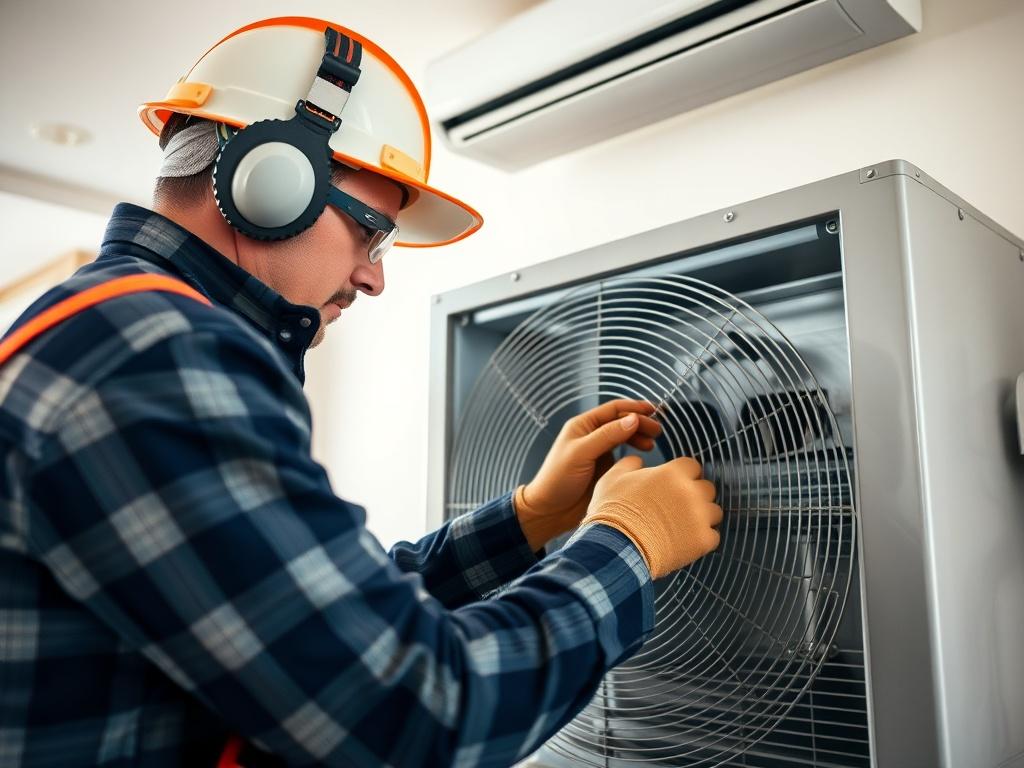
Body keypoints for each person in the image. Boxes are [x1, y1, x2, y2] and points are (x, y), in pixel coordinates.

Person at [0, 17, 722, 768]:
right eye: (370, 234)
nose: (375, 277)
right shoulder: (157, 355)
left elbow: (309, 622)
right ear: (272, 179)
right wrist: (627, 546)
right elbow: (413, 713)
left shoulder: (117, 328)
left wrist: (527, 519)